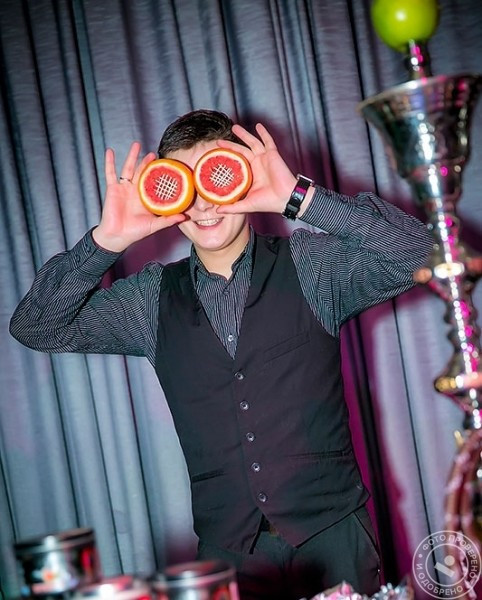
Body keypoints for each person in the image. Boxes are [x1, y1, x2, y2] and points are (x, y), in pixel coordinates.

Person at [10, 109, 432, 600]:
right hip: (228, 554)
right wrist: (107, 241)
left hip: (333, 535)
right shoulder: (149, 300)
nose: (204, 204)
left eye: (217, 178)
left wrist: (298, 197)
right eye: (184, 186)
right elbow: (36, 325)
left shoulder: (311, 266)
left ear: (244, 177)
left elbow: (423, 254)